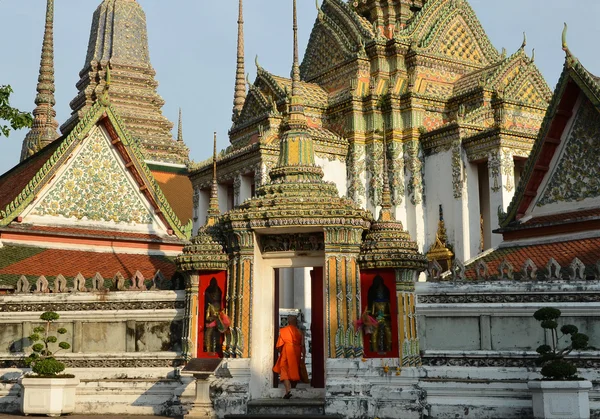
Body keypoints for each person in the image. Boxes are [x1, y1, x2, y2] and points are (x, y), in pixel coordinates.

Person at [273, 315, 305, 399]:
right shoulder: (300, 332)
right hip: (296, 351)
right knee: (295, 369)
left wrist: (281, 352)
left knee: (284, 370)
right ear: (296, 322)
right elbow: (303, 345)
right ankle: (293, 388)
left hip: (286, 351)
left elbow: (280, 345)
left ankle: (288, 390)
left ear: (288, 322)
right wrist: (303, 356)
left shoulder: (284, 331)